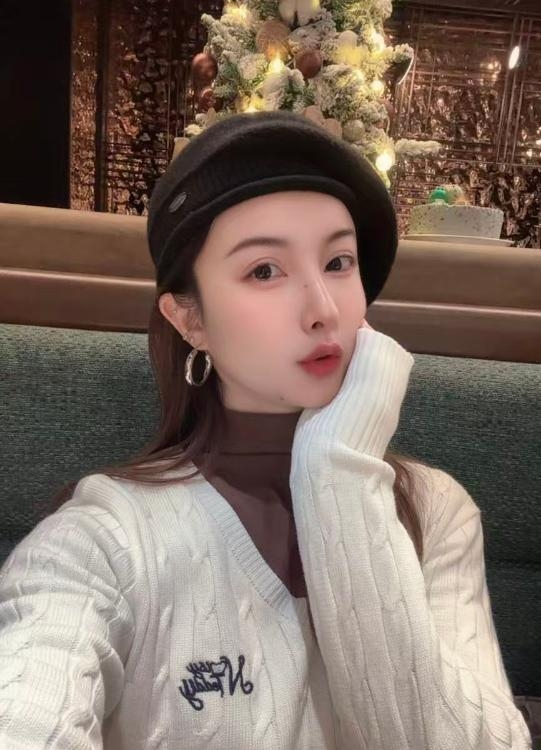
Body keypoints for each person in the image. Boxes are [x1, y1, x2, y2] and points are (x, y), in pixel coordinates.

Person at [0, 110, 532, 750]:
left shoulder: (435, 512)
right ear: (190, 319)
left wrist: (338, 466)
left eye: (339, 261)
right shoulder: (106, 537)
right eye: (264, 271)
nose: (323, 309)